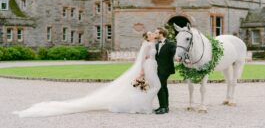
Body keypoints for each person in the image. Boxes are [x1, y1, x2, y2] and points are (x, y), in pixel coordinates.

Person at [13, 32, 161, 117]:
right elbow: (141, 58)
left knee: (144, 88)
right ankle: (142, 106)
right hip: (146, 67)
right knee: (151, 86)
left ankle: (143, 106)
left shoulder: (153, 44)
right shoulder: (147, 44)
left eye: (153, 33)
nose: (153, 33)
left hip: (151, 66)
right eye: (150, 33)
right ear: (147, 37)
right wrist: (141, 70)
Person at [154, 27, 176, 114]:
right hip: (158, 69)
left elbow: (175, 51)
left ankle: (163, 107)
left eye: (156, 33)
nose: (154, 34)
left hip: (166, 69)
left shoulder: (171, 44)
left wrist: (177, 57)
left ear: (161, 34)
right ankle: (165, 107)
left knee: (159, 86)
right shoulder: (156, 45)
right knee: (163, 87)